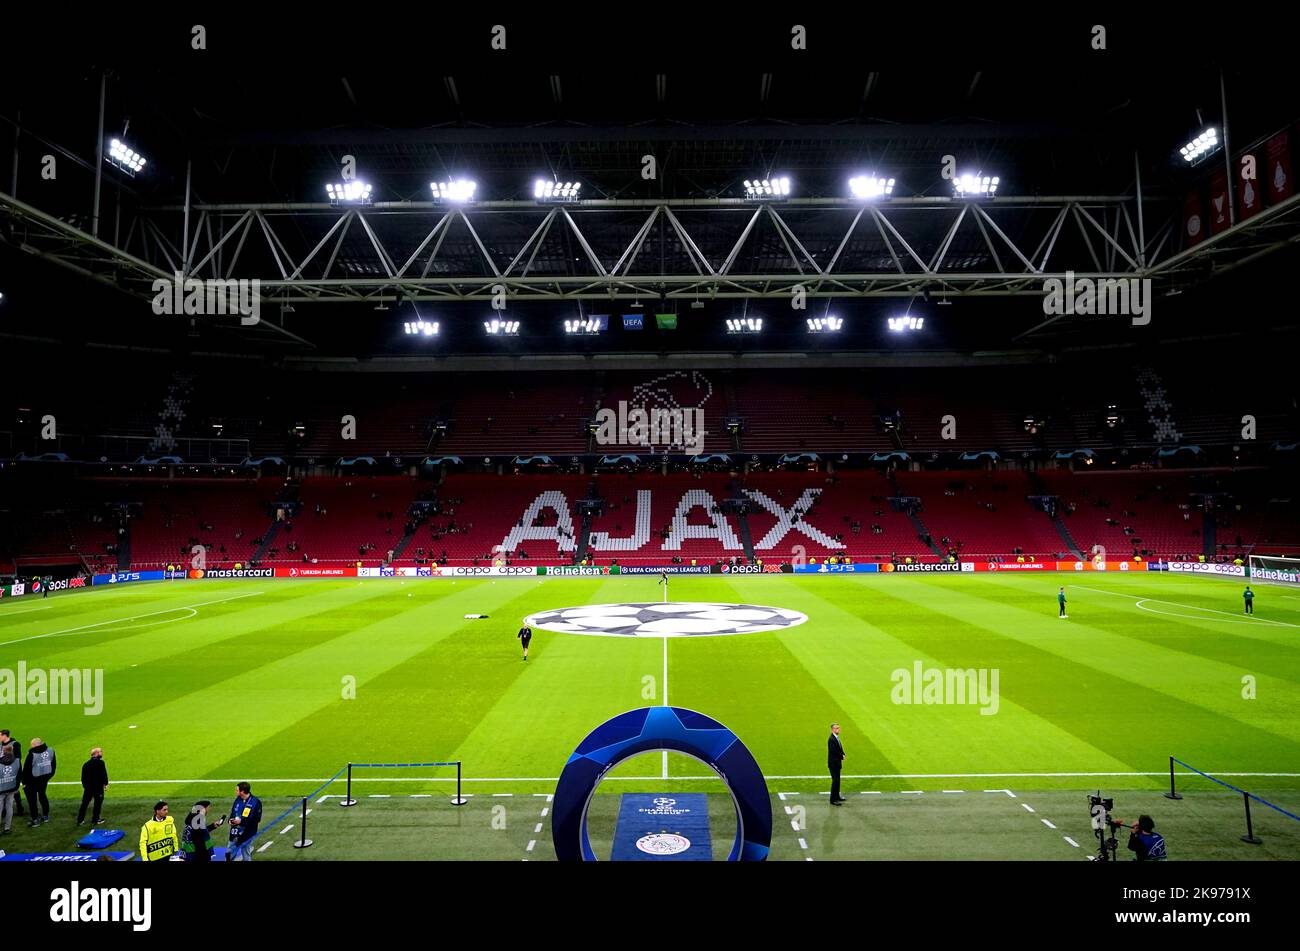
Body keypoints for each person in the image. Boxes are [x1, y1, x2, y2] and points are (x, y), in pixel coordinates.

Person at [21, 736, 56, 826]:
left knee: (32, 801)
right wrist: (48, 776)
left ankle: (35, 820)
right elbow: (53, 765)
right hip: (44, 779)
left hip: (32, 781)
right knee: (42, 796)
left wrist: (24, 783)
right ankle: (46, 816)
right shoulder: (51, 750)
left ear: (34, 745)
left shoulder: (32, 754)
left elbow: (26, 770)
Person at [226, 782, 263, 861]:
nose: (235, 792)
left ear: (242, 792)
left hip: (247, 833)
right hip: (234, 832)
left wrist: (241, 822)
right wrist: (230, 820)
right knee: (229, 852)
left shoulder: (255, 802)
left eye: (237, 790)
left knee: (246, 853)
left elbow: (257, 819)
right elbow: (233, 813)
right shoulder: (237, 800)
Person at [77, 747, 109, 826]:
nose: (102, 753)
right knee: (97, 803)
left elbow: (83, 778)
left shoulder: (86, 764)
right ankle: (95, 819)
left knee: (84, 804)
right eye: (100, 752)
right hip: (98, 788)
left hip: (88, 788)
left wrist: (86, 787)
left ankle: (80, 820)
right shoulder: (101, 763)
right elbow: (103, 774)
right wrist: (106, 784)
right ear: (96, 753)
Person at [0, 730, 23, 818]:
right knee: (4, 789)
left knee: (15, 789)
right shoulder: (1, 745)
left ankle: (20, 807)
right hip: (2, 769)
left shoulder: (15, 744)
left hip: (13, 770)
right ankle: (4, 810)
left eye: (0, 735)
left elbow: (18, 759)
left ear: (5, 735)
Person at [0, 743, 19, 834]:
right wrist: (16, 787)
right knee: (9, 807)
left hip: (1, 789)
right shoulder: (17, 761)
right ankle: (7, 827)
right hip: (12, 788)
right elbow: (19, 775)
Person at [827, 723, 847, 805]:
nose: (839, 729)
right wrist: (841, 756)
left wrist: (843, 753)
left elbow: (839, 748)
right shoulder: (831, 739)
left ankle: (837, 796)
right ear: (833, 729)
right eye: (837, 728)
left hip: (837, 763)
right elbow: (833, 751)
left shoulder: (836, 738)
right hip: (833, 764)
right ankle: (833, 800)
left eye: (839, 728)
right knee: (835, 781)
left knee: (838, 781)